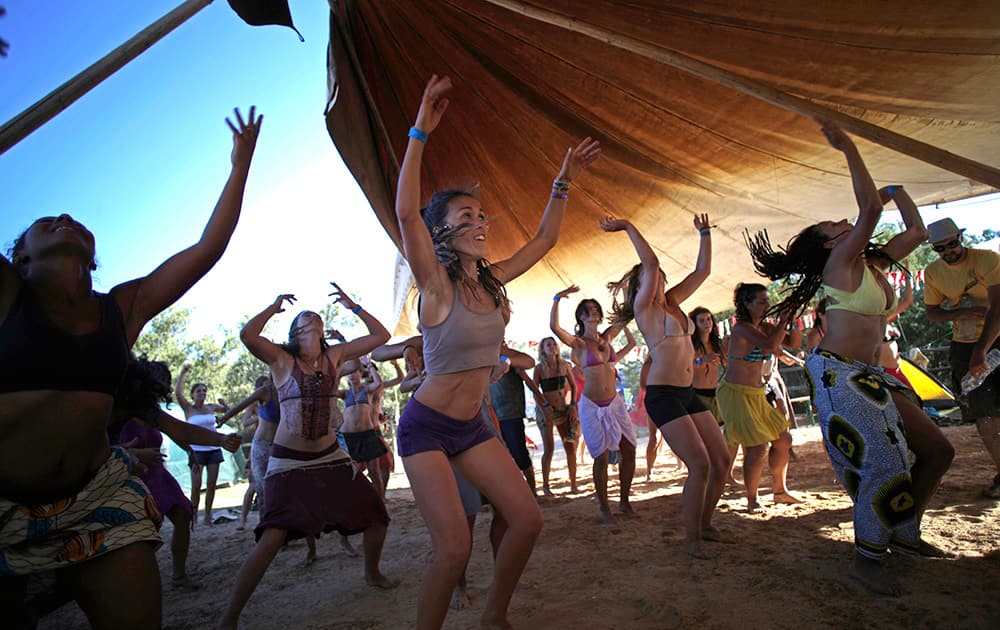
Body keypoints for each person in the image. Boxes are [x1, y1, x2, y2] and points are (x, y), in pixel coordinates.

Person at [0, 107, 260, 628]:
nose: (65, 218)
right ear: (21, 260)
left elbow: (208, 249)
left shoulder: (121, 308)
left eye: (74, 220)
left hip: (95, 496)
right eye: (44, 224)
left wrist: (240, 167)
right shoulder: (8, 297)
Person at [394, 74, 600, 629]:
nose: (480, 223)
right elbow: (407, 214)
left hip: (474, 426)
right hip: (427, 427)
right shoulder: (435, 284)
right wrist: (420, 131)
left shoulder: (492, 282)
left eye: (480, 216)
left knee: (528, 521)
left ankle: (494, 616)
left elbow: (544, 241)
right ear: (442, 235)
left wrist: (563, 180)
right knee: (454, 549)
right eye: (466, 219)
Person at [745, 118, 951, 594]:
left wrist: (899, 188)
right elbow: (871, 210)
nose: (845, 223)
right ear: (829, 244)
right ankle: (867, 561)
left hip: (872, 374)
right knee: (884, 464)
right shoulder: (839, 265)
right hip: (840, 376)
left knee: (937, 451)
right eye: (835, 226)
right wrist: (848, 148)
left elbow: (916, 230)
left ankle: (902, 530)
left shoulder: (873, 266)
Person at [220, 287, 396, 628]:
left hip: (331, 456)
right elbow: (247, 334)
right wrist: (272, 307)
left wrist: (353, 306)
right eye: (305, 316)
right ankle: (230, 617)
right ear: (296, 331)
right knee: (272, 538)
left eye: (316, 316)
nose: (313, 316)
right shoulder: (280, 360)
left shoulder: (336, 356)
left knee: (377, 514)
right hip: (288, 462)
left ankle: (372, 574)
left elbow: (381, 336)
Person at [603, 215, 732, 557]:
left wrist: (705, 233)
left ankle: (706, 525)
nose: (655, 275)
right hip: (663, 395)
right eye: (649, 274)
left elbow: (702, 271)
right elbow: (651, 259)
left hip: (688, 393)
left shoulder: (673, 303)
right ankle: (692, 540)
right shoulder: (644, 309)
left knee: (721, 460)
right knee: (700, 464)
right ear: (643, 281)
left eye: (657, 275)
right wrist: (630, 226)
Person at [111, 356, 242, 590]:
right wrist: (137, 454)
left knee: (182, 515)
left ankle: (178, 576)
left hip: (157, 474)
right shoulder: (115, 412)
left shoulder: (150, 412)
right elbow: (100, 446)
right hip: (133, 479)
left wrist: (219, 440)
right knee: (143, 533)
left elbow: (180, 430)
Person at [923, 217, 1000, 498]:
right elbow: (932, 312)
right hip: (964, 346)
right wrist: (961, 314)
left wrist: (982, 350)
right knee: (985, 414)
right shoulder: (932, 272)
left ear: (960, 238)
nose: (948, 252)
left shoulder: (987, 259)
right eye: (940, 248)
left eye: (952, 244)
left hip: (991, 342)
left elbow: (998, 307)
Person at [550, 286, 637, 523]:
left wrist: (630, 290)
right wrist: (558, 298)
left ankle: (625, 501)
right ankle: (604, 508)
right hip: (592, 405)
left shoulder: (607, 337)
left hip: (615, 403)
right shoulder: (578, 343)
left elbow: (625, 316)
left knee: (629, 449)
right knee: (600, 456)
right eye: (589, 310)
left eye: (596, 309)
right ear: (581, 316)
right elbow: (554, 328)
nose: (594, 312)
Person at [717, 283, 800, 513]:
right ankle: (752, 499)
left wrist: (792, 318)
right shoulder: (742, 328)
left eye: (767, 300)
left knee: (783, 440)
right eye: (762, 301)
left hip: (756, 393)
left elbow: (793, 343)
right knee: (757, 447)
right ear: (746, 304)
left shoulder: (764, 326)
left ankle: (779, 492)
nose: (767, 305)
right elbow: (770, 345)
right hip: (736, 393)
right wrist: (782, 321)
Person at [217, 375, 279, 531]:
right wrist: (223, 418)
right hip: (261, 446)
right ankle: (265, 529)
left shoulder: (287, 392)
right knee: (262, 489)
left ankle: (283, 529)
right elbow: (240, 407)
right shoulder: (265, 392)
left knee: (280, 489)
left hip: (280, 446)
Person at [175, 364, 229, 527]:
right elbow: (178, 393)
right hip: (196, 452)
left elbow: (228, 411)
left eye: (204, 391)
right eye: (199, 391)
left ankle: (207, 516)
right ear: (192, 394)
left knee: (212, 485)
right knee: (196, 486)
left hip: (214, 450)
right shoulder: (188, 409)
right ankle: (193, 517)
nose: (202, 393)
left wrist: (224, 405)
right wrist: (183, 373)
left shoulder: (211, 407)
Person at [490, 345, 541, 497]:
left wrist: (542, 401)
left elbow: (529, 369)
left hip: (511, 413)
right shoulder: (479, 355)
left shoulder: (509, 358)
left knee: (519, 453)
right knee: (496, 457)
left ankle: (532, 491)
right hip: (490, 414)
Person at [532, 336, 581, 494]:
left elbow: (574, 386)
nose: (552, 347)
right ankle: (546, 486)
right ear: (543, 349)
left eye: (554, 344)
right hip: (546, 410)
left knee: (570, 446)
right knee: (549, 448)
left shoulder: (565, 365)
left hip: (563, 408)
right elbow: (535, 392)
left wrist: (573, 405)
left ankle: (573, 484)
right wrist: (544, 407)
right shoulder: (539, 368)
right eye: (548, 345)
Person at [342, 357, 390, 497]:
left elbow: (378, 383)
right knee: (352, 473)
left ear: (360, 373)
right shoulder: (345, 393)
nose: (352, 374)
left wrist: (369, 365)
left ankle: (380, 503)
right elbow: (330, 390)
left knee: (374, 471)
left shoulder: (367, 390)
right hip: (349, 437)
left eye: (354, 372)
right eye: (349, 372)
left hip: (368, 434)